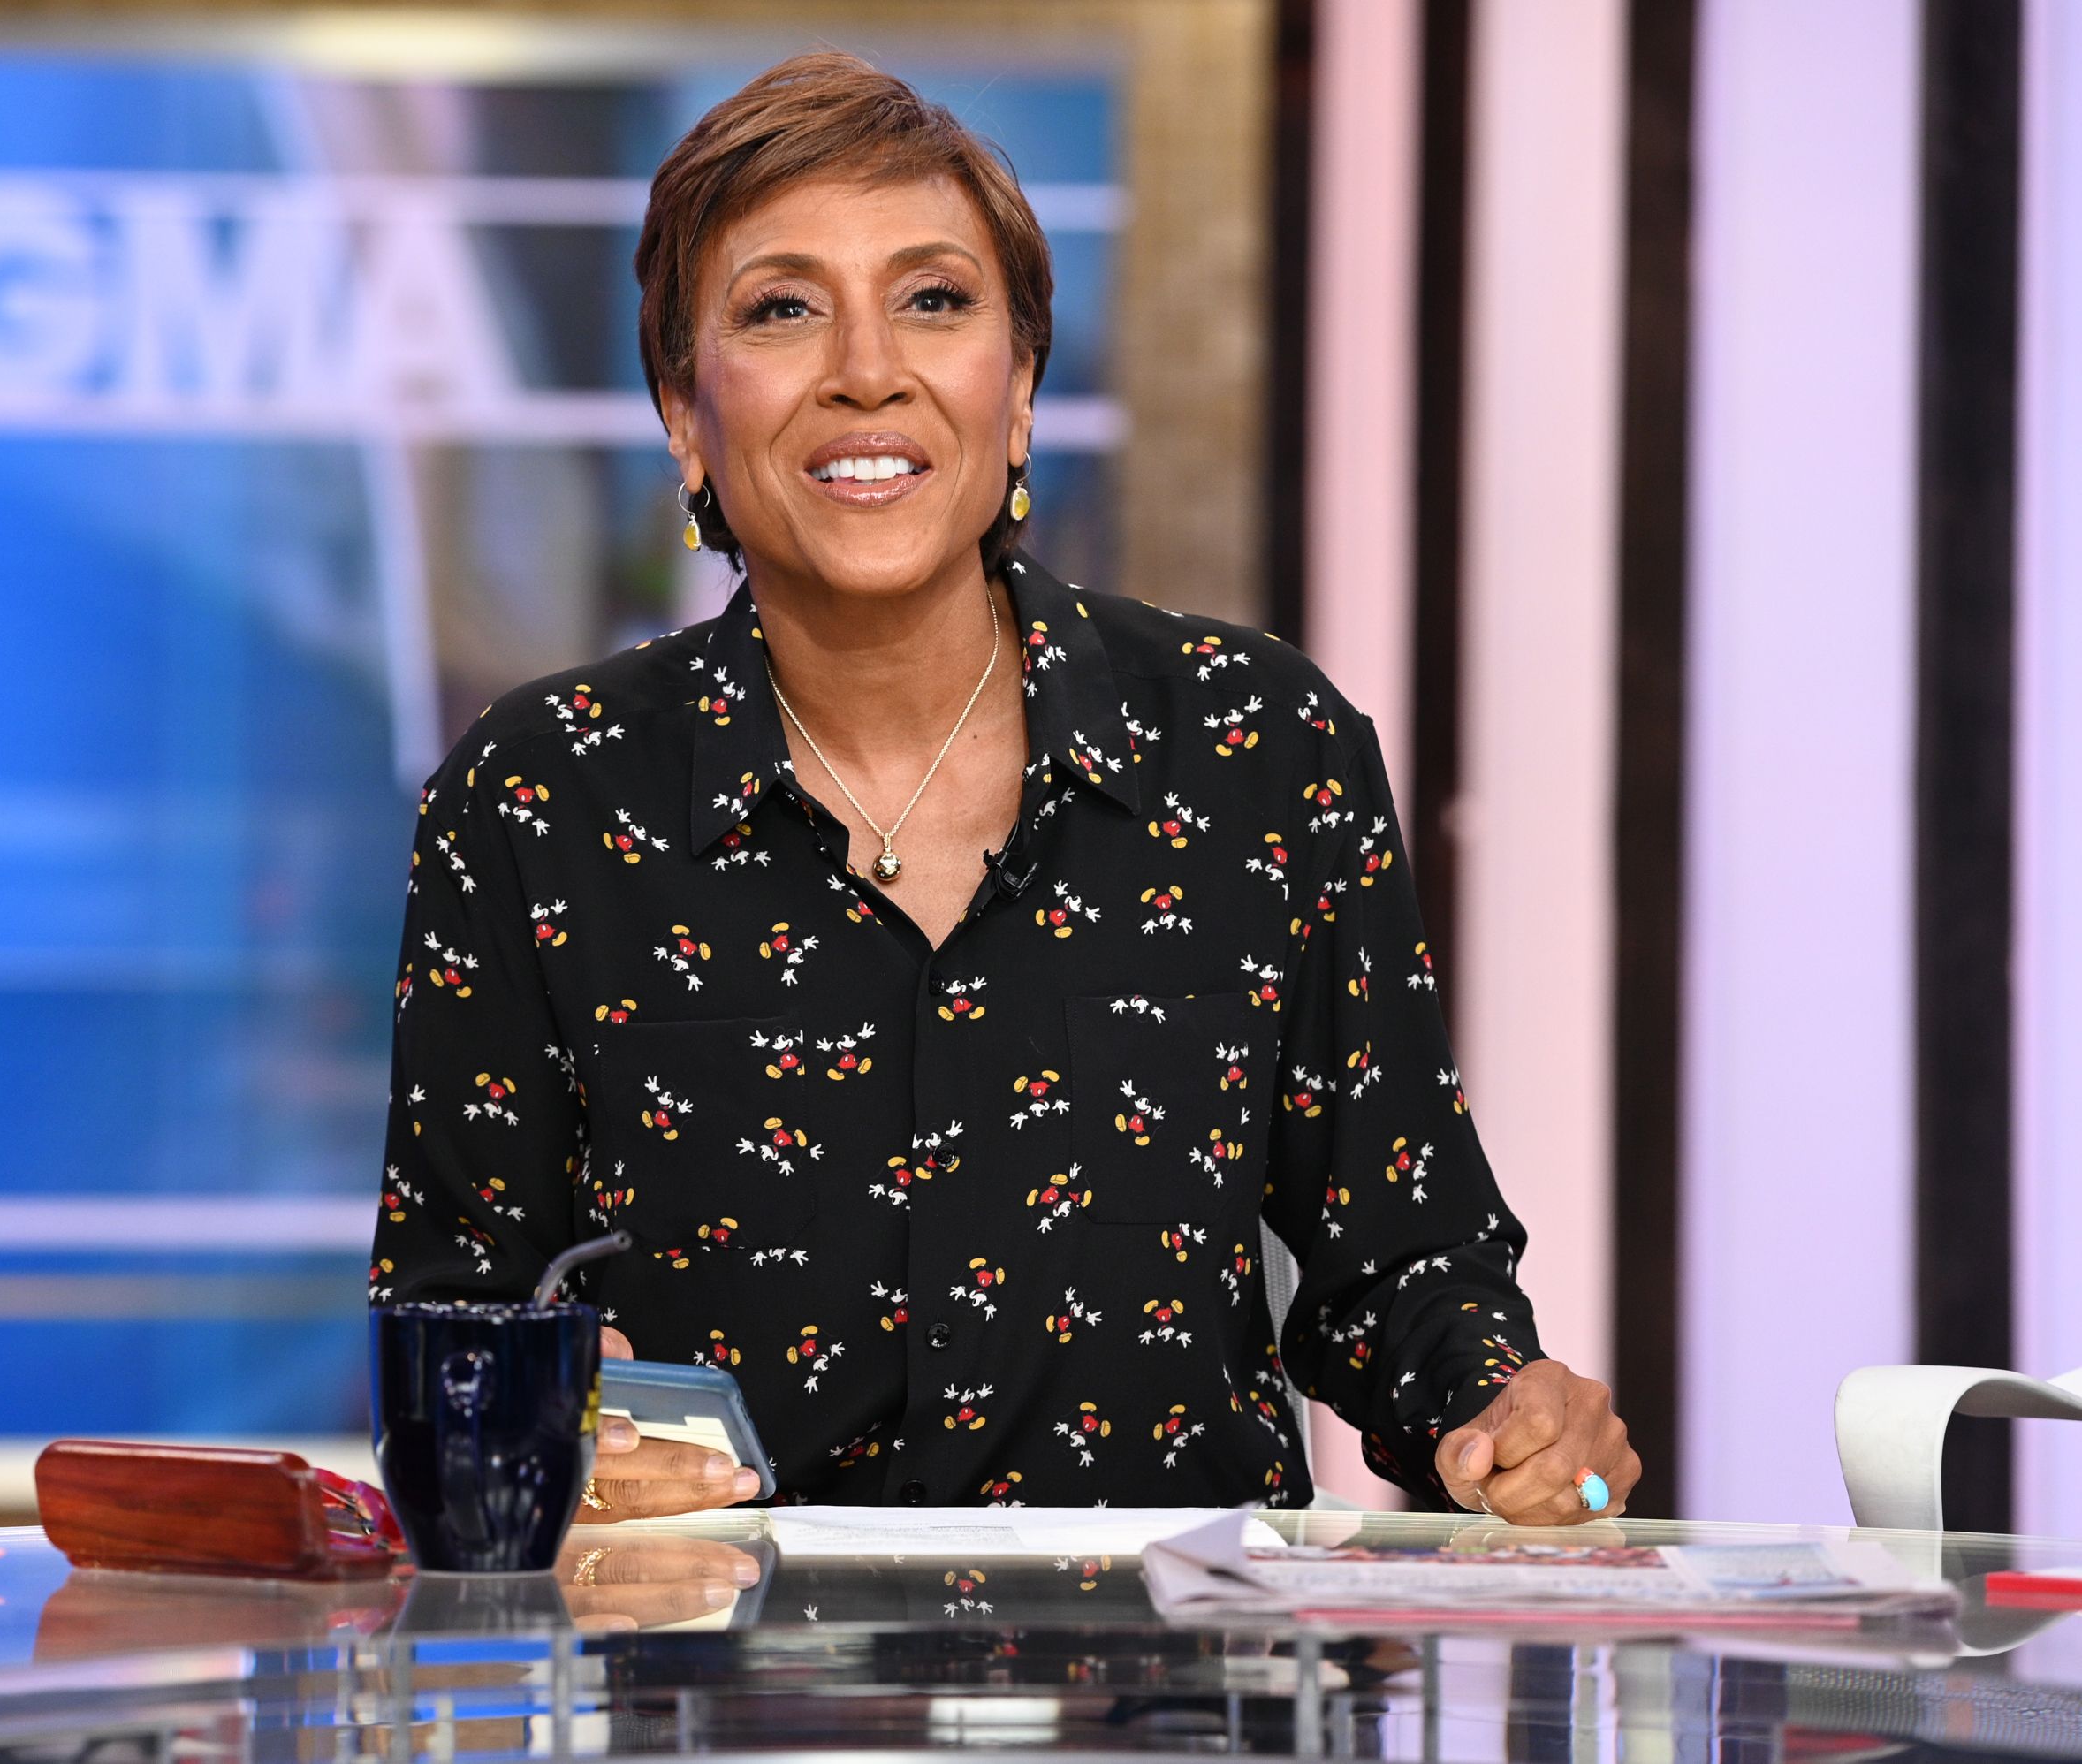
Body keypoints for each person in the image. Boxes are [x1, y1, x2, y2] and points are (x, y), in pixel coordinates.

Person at [369, 49, 1637, 1526]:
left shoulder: (1262, 752)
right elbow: (456, 1323)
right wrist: (563, 1443)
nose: (866, 369)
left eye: (936, 300)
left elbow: (1406, 1271)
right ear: (683, 411)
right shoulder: (537, 800)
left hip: (1181, 1709)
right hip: (718, 1701)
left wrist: (1508, 1411)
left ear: (1019, 389)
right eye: (782, 310)